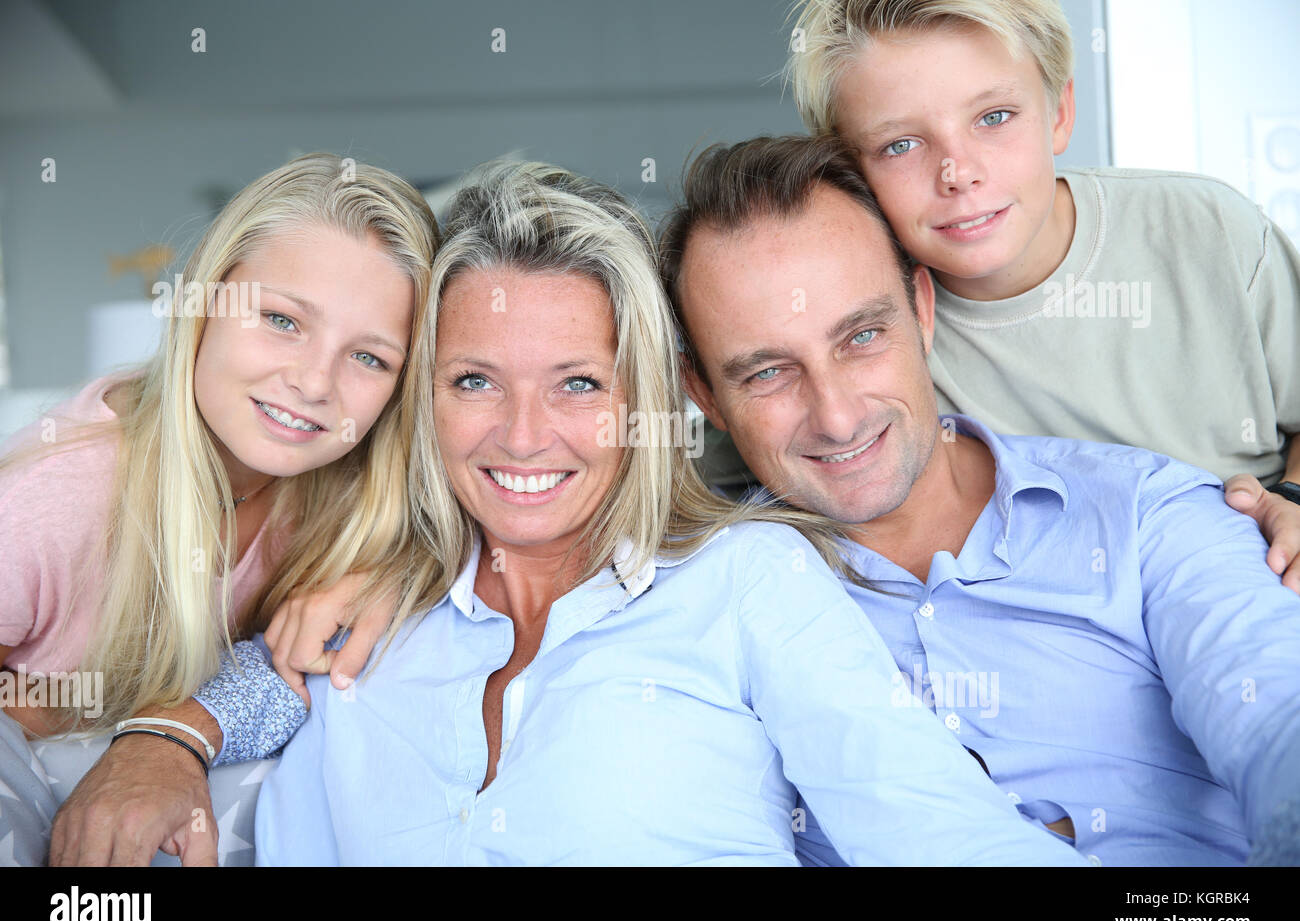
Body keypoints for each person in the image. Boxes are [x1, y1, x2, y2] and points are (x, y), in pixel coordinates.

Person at [253, 160, 1087, 866]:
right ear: (423, 401)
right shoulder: (364, 627)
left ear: (645, 400)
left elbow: (949, 840)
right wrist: (163, 741)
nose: (524, 435)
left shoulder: (745, 580)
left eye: (578, 383)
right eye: (475, 381)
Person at [657, 132, 1300, 865]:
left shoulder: (1146, 512)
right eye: (767, 373)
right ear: (703, 393)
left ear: (922, 311)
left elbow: (1280, 722)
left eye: (863, 336)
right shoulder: (698, 608)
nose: (836, 415)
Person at [688, 0, 1300, 591]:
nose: (959, 171)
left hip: (1249, 578)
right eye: (900, 144)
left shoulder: (1209, 232)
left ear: (1059, 112)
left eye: (995, 117)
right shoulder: (859, 321)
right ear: (849, 176)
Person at [0, 152, 444, 866]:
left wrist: (384, 577)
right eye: (282, 319)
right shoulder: (59, 494)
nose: (312, 382)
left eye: (369, 358)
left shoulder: (356, 499)